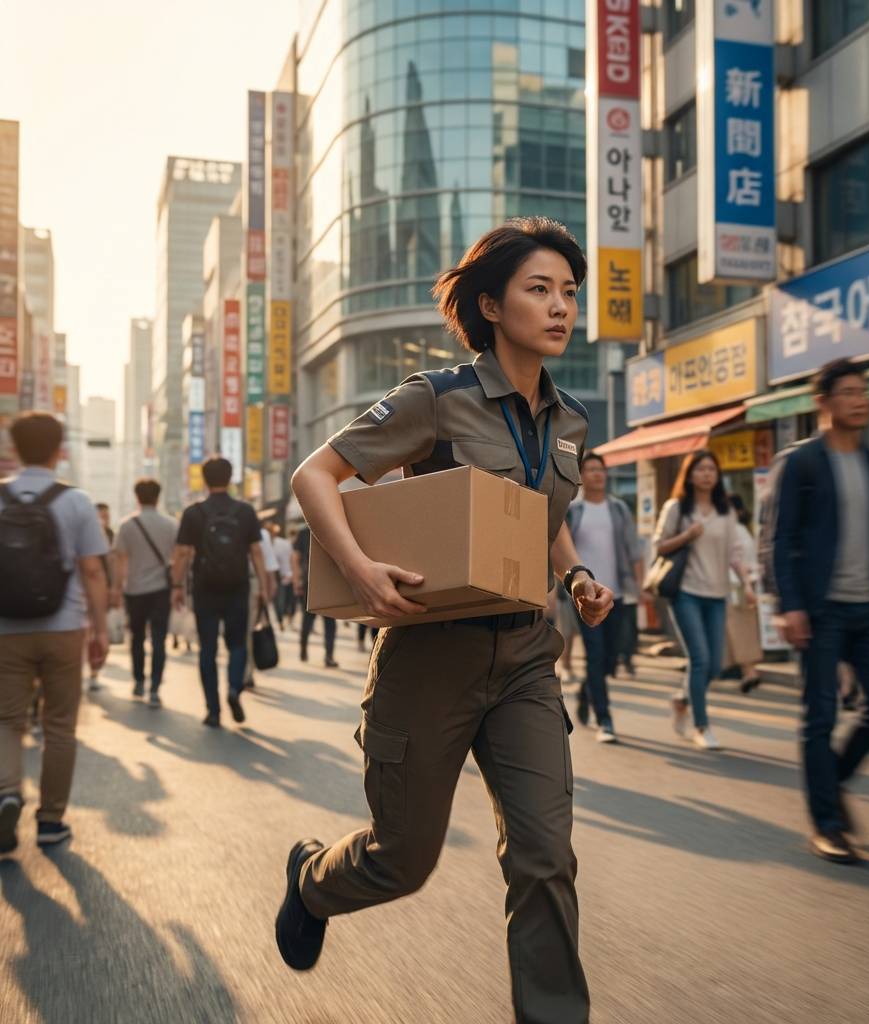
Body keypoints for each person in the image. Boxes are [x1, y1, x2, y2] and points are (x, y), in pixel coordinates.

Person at [275, 217, 611, 1024]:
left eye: (569, 292)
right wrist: (359, 569)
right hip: (429, 658)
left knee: (544, 858)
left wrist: (576, 573)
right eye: (540, 289)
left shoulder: (570, 420)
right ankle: (314, 882)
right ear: (491, 305)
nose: (560, 307)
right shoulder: (437, 399)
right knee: (402, 860)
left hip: (529, 655)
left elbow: (540, 513)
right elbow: (314, 475)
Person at [773, 358, 869, 864]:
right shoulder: (804, 462)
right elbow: (782, 539)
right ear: (824, 402)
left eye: (864, 391)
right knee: (821, 717)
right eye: (850, 392)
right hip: (822, 609)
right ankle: (827, 825)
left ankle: (831, 781)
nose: (862, 400)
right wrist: (790, 606)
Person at [0, 411, 109, 852]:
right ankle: (50, 822)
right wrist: (99, 630)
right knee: (60, 725)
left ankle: (7, 792)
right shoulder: (77, 502)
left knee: (7, 720)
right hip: (64, 627)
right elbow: (93, 571)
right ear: (60, 451)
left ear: (13, 449)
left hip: (6, 629)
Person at [652, 450, 755, 750]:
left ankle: (682, 698)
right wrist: (687, 535)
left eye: (712, 469)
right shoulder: (677, 508)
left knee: (715, 667)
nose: (708, 474)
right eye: (701, 469)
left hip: (718, 594)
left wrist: (747, 585)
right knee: (700, 660)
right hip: (686, 593)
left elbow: (736, 554)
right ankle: (702, 727)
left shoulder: (726, 512)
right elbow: (659, 547)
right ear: (690, 474)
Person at [170, 456, 268, 727]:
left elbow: (182, 553)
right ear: (230, 478)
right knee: (237, 645)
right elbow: (256, 552)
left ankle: (213, 711)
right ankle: (234, 689)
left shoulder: (194, 512)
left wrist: (177, 586)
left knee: (207, 649)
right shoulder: (245, 511)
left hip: (205, 588)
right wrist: (264, 587)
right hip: (238, 586)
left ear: (204, 479)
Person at [564, 450, 643, 742]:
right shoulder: (572, 511)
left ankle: (586, 691)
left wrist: (640, 585)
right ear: (581, 476)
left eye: (601, 469)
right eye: (591, 469)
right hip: (584, 596)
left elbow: (633, 550)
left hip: (618, 593)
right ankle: (604, 719)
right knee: (595, 655)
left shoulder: (619, 509)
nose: (598, 474)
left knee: (611, 657)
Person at [111, 478, 178, 706]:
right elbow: (178, 559)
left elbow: (120, 562)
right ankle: (155, 688)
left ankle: (139, 681)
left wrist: (116, 589)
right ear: (157, 498)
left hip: (135, 590)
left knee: (137, 638)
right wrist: (179, 587)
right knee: (159, 639)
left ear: (136, 497)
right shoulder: (170, 525)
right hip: (161, 589)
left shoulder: (127, 525)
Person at [725, 494, 763, 693]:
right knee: (743, 629)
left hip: (734, 586)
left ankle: (749, 672)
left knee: (739, 630)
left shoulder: (733, 532)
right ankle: (748, 671)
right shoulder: (745, 532)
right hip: (745, 584)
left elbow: (735, 561)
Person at [292, 525, 338, 667]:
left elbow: (295, 558)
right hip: (323, 582)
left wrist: (297, 580)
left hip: (312, 582)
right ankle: (327, 656)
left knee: (309, 619)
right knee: (328, 622)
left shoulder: (304, 531)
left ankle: (305, 651)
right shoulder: (333, 528)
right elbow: (295, 557)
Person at [243, 517, 279, 689]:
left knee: (241, 631)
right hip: (253, 583)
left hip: (233, 585)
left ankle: (243, 671)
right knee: (248, 630)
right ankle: (246, 673)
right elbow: (269, 563)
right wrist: (268, 586)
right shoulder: (262, 534)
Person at [88, 501, 116, 690]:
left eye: (106, 516)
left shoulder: (112, 534)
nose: (104, 520)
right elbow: (92, 569)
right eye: (101, 516)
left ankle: (94, 672)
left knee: (96, 633)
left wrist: (113, 587)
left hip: (102, 591)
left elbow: (112, 564)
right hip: (88, 591)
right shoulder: (88, 534)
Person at [270, 521, 296, 630]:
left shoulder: (280, 543)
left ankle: (281, 618)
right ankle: (281, 618)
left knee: (279, 599)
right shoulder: (282, 543)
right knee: (278, 599)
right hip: (279, 574)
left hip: (278, 574)